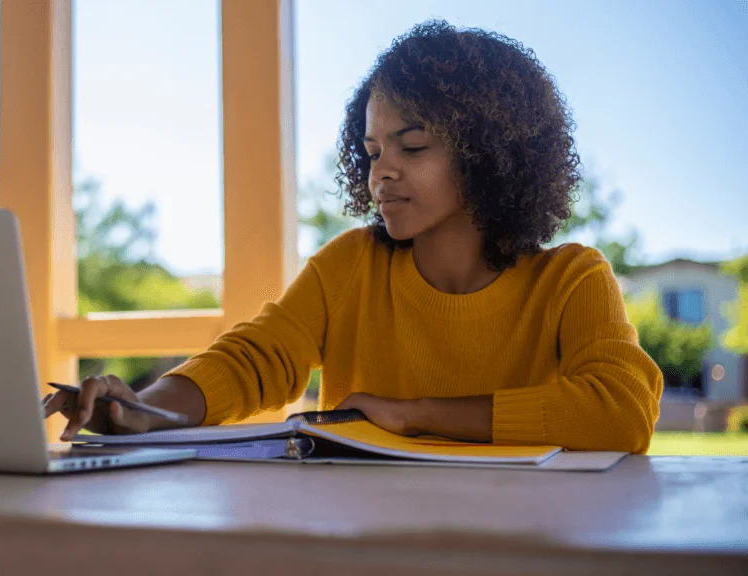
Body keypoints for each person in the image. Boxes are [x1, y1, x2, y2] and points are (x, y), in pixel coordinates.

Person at [43, 19, 663, 453]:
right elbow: (253, 360)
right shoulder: (351, 267)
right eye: (371, 151)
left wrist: (415, 417)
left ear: (490, 155)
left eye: (412, 146)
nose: (381, 171)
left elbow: (621, 410)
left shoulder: (571, 280)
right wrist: (144, 412)